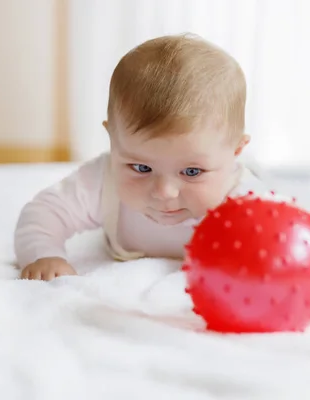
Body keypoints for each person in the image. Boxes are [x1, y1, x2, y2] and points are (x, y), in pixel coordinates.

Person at [14, 33, 270, 281]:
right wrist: (44, 255)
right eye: (141, 167)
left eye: (192, 172)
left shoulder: (245, 201)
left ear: (235, 152)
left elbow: (281, 242)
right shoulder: (105, 181)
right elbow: (45, 212)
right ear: (113, 140)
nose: (164, 192)